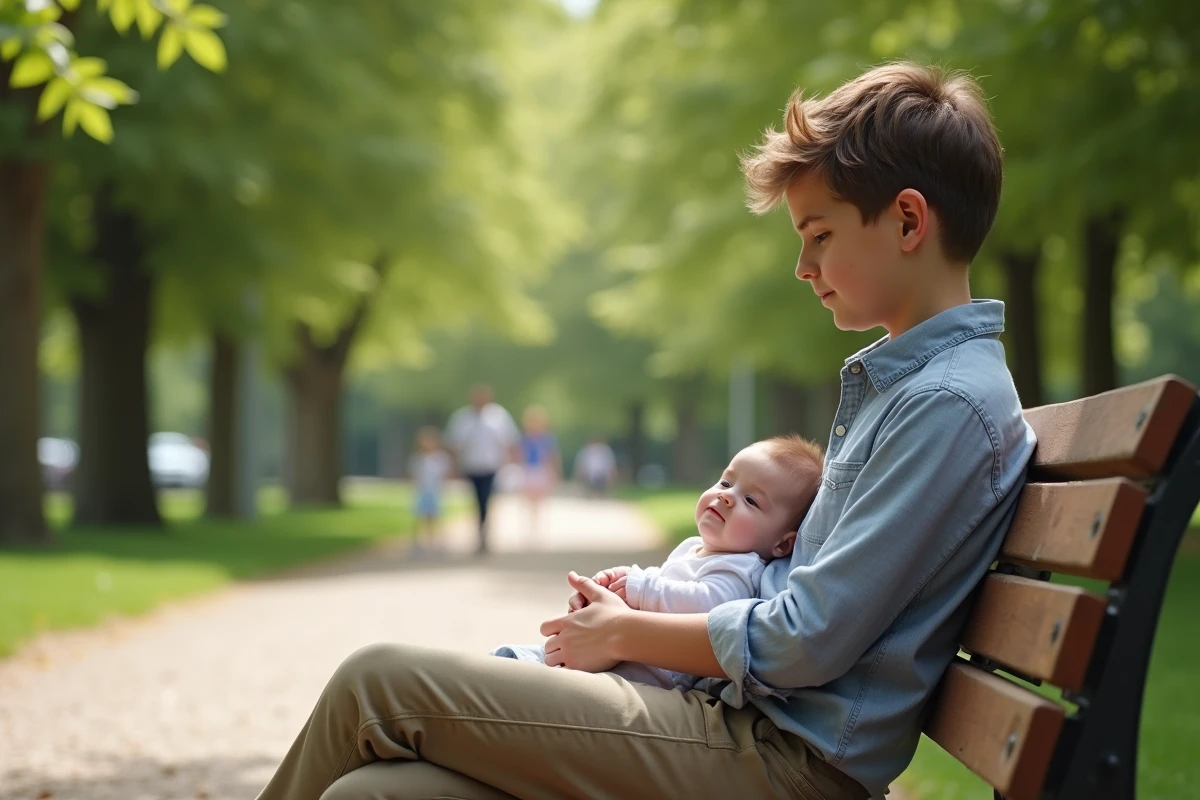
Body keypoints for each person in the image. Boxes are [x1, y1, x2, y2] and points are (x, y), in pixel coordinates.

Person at [255, 62, 1037, 800]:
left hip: (780, 764)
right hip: (740, 725)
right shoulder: (916, 389)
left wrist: (628, 631)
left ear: (907, 220)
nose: (803, 265)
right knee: (374, 792)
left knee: (376, 683)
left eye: (820, 234)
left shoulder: (945, 404)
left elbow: (810, 639)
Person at [492, 435, 823, 693]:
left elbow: (705, 606)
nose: (726, 496)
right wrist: (617, 586)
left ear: (782, 543)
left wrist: (640, 587)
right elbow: (662, 582)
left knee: (535, 682)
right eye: (725, 482)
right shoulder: (694, 548)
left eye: (750, 500)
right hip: (618, 659)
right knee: (511, 660)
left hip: (646, 678)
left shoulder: (741, 569)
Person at [443, 384, 520, 555]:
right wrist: (454, 466)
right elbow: (454, 445)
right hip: (471, 466)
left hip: (491, 466)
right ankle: (480, 529)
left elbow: (509, 441)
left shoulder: (498, 416)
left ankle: (484, 532)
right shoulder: (462, 418)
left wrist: (511, 463)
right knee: (476, 500)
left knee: (486, 499)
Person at [518, 405, 561, 541]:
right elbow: (519, 455)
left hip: (542, 471)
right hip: (528, 470)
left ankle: (538, 527)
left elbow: (553, 456)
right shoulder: (524, 439)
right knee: (528, 501)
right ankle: (530, 526)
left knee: (540, 501)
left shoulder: (547, 439)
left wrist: (555, 472)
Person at [407, 426, 452, 554]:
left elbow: (445, 475)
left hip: (435, 492)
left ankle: (436, 543)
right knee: (419, 518)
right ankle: (417, 543)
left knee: (436, 518)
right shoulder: (418, 458)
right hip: (421, 492)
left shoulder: (440, 458)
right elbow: (412, 475)